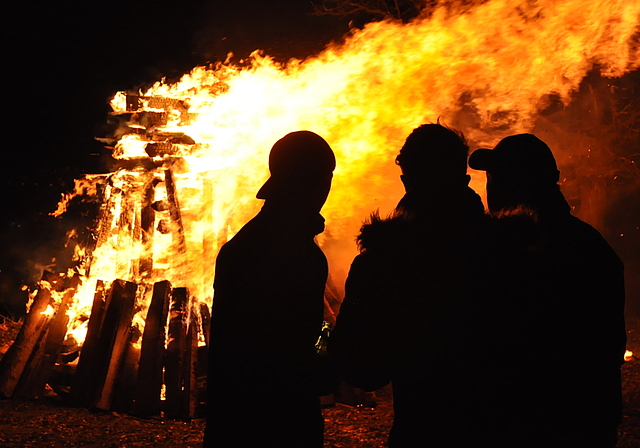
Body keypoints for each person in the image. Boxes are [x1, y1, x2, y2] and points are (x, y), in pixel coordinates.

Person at [330, 123, 491, 447]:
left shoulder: (388, 260)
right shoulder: (506, 249)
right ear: (464, 178)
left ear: (409, 179)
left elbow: (361, 369)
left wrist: (320, 330)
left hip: (424, 429)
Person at [469, 134, 626, 448]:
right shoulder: (589, 244)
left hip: (533, 424)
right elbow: (609, 347)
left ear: (514, 184)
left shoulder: (505, 253)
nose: (489, 188)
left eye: (495, 178)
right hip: (586, 421)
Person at [203, 131, 335, 448]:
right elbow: (288, 345)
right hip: (277, 419)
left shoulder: (245, 245)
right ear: (311, 181)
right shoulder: (297, 253)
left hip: (236, 417)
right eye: (323, 178)